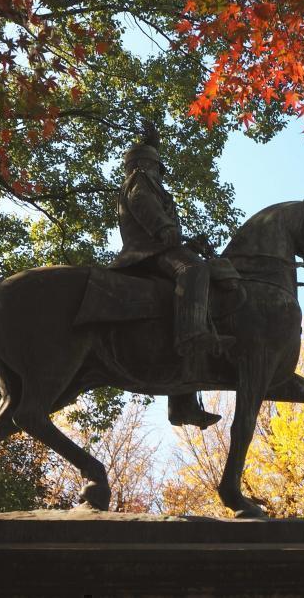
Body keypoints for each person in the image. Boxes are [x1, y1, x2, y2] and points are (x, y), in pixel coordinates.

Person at [110, 121, 233, 429]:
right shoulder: (139, 179)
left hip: (159, 249)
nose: (160, 173)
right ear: (145, 164)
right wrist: (163, 228)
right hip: (145, 254)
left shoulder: (147, 179)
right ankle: (193, 335)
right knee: (193, 269)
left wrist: (185, 241)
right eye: (157, 166)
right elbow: (143, 206)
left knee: (187, 295)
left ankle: (184, 403)